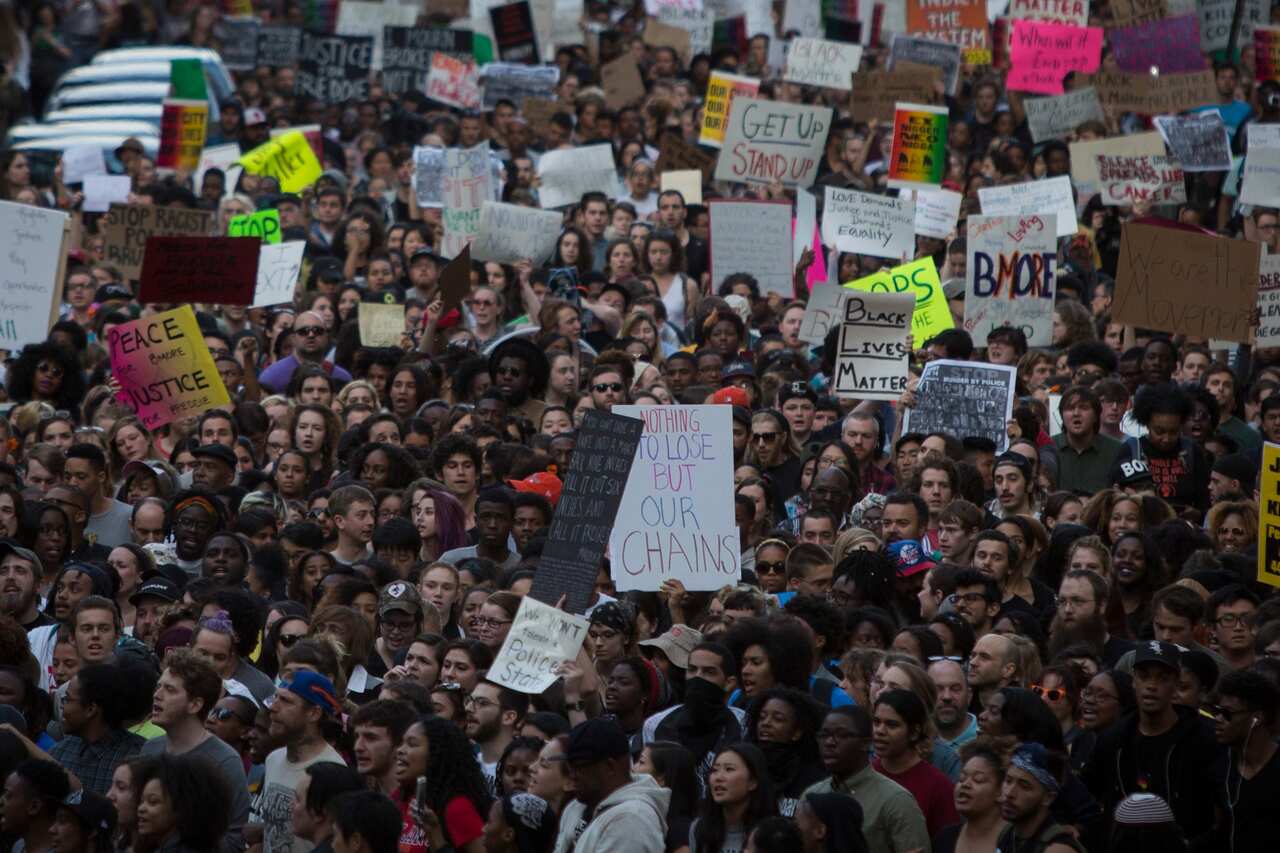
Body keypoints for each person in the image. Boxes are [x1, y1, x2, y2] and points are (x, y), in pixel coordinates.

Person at [142, 649, 251, 852]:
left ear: (195, 704)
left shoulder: (224, 761)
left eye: (170, 690)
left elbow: (235, 837)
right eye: (158, 687)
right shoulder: (151, 748)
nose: (157, 696)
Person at [805, 705, 929, 853]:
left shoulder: (896, 800)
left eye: (842, 735)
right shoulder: (811, 796)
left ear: (866, 743)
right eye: (824, 735)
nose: (829, 743)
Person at [256, 671, 347, 853]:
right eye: (276, 698)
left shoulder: (333, 772)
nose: (273, 707)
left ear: (314, 713)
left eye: (286, 701)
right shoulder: (273, 759)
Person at [552, 718, 668, 853]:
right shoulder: (577, 806)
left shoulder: (631, 819)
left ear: (609, 767)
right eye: (568, 768)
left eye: (578, 768)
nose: (571, 776)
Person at [996, 744, 1082, 852]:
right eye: (1008, 781)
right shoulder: (1007, 833)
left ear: (1048, 798)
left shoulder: (1056, 848)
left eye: (1024, 786)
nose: (1009, 793)